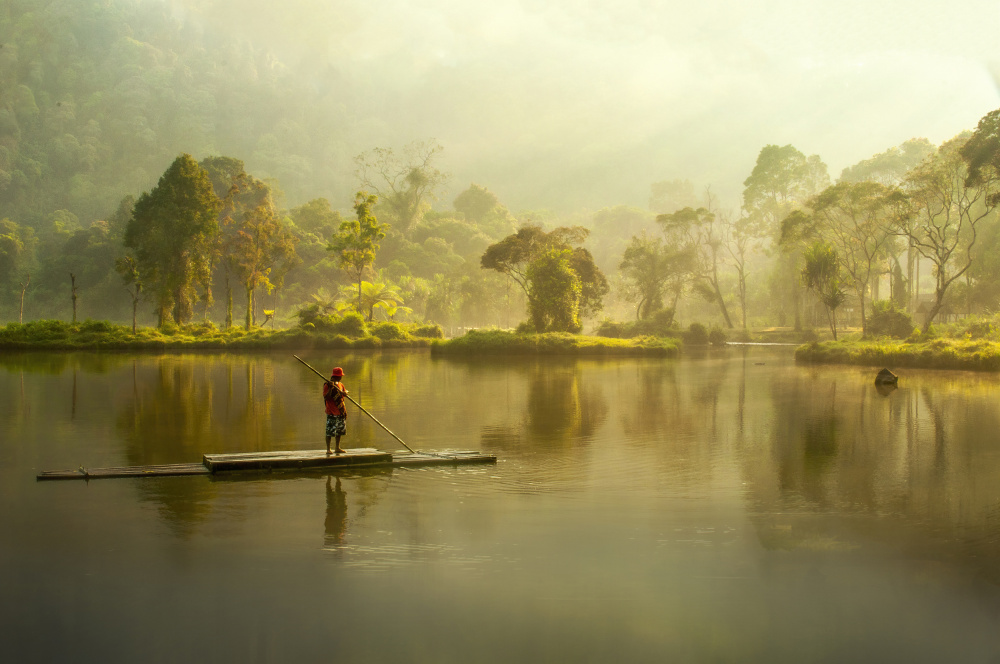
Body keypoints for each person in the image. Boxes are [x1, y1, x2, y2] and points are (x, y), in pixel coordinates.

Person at [323, 367, 348, 454]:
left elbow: (345, 393)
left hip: (340, 410)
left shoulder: (340, 384)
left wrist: (345, 393)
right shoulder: (327, 385)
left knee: (339, 431)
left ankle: (337, 447)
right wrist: (330, 388)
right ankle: (328, 449)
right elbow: (327, 397)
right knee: (330, 431)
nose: (341, 377)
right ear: (336, 376)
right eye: (340, 376)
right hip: (331, 411)